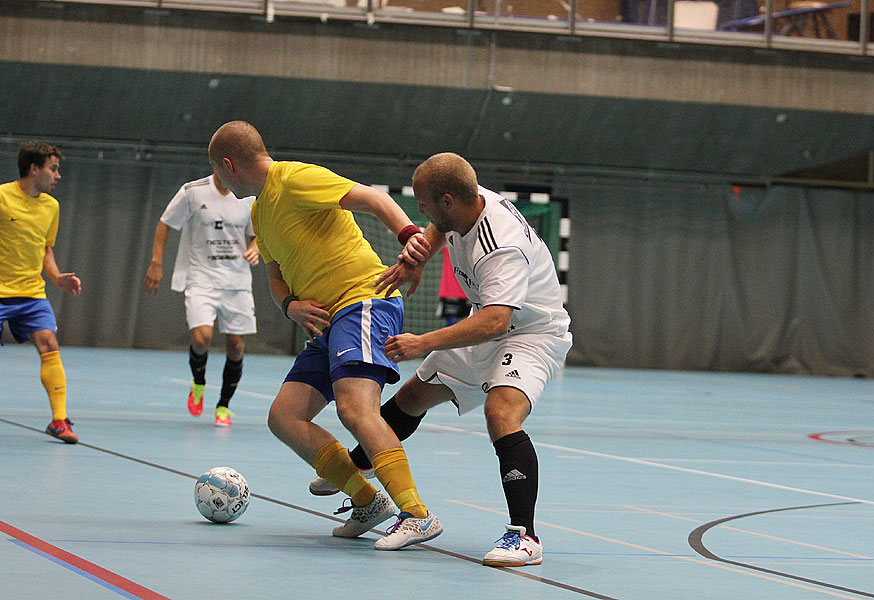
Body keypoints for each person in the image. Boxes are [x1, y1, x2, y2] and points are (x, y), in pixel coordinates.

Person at [320, 152, 572, 567]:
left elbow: (497, 319)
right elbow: (438, 228)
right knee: (414, 396)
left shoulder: (501, 245)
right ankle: (359, 467)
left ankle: (525, 537)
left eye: (423, 202)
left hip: (531, 332)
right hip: (490, 324)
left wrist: (422, 342)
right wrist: (416, 262)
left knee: (501, 412)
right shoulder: (466, 205)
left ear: (449, 198)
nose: (419, 211)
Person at [207, 120, 442, 550]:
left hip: (364, 299)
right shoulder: (261, 210)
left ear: (228, 165)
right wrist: (288, 305)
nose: (219, 182)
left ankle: (417, 514)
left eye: (218, 175)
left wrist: (409, 235)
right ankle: (367, 501)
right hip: (326, 319)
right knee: (284, 416)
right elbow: (275, 275)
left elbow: (372, 198)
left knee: (355, 409)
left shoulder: (293, 177)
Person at [143, 173, 259, 427]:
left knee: (236, 345)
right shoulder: (192, 191)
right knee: (201, 337)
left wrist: (255, 247)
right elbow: (165, 223)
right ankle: (198, 382)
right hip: (200, 277)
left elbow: (256, 233)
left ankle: (223, 406)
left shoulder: (248, 196)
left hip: (236, 281)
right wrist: (156, 262)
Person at [0, 141, 82, 443]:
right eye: (53, 169)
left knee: (49, 344)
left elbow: (45, 247)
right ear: (34, 169)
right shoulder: (2, 197)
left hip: (31, 293)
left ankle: (59, 421)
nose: (58, 175)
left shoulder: (51, 207)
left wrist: (57, 276)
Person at [436, 246, 471, 327]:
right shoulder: (447, 241)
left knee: (473, 328)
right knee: (451, 326)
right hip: (450, 292)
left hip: (470, 292)